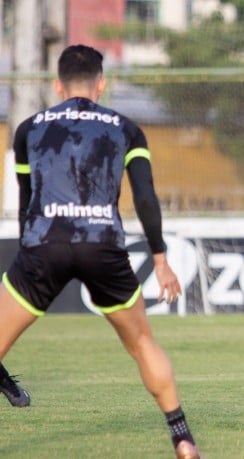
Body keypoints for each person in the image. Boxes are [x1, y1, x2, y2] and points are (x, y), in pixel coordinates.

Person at [1, 45, 200, 458]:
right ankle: (182, 438)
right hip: (103, 247)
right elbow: (145, 197)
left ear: (57, 85)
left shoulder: (29, 129)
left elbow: (26, 201)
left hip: (45, 246)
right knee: (143, 343)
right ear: (101, 84)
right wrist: (160, 261)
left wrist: (29, 254)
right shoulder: (124, 127)